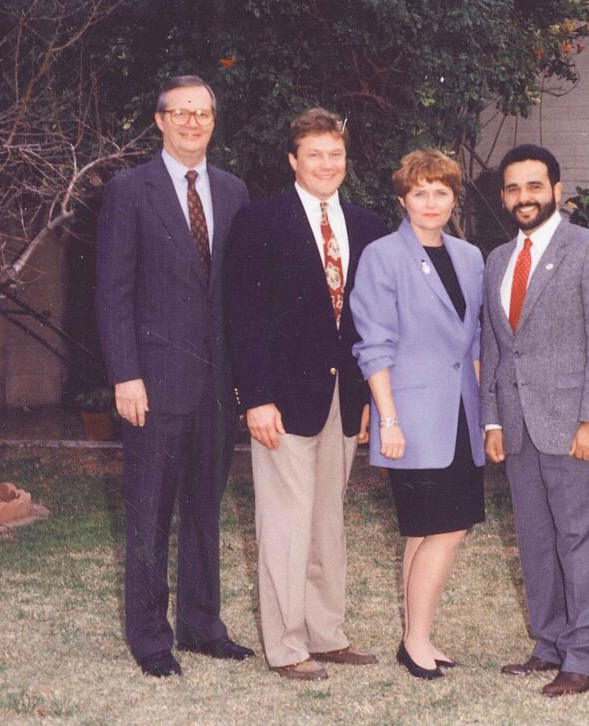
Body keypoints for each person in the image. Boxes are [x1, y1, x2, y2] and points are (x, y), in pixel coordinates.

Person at [96, 75, 254, 677]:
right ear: (159, 120)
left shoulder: (235, 191)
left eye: (203, 114)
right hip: (154, 385)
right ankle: (149, 638)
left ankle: (202, 625)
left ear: (214, 121)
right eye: (180, 113)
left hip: (216, 387)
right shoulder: (128, 190)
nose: (192, 123)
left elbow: (238, 294)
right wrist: (125, 376)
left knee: (205, 510)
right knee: (149, 512)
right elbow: (112, 292)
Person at [224, 107, 386, 681]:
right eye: (314, 154)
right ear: (293, 160)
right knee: (286, 523)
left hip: (344, 399)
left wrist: (367, 398)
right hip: (282, 400)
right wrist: (255, 396)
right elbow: (243, 316)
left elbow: (367, 321)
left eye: (335, 154)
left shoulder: (367, 226)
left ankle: (326, 631)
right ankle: (288, 644)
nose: (326, 164)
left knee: (327, 523)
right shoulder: (259, 221)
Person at [481, 144, 589, 697]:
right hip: (519, 428)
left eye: (535, 187)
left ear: (557, 190)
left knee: (585, 543)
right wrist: (492, 421)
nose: (525, 198)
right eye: (515, 188)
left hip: (576, 428)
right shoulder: (497, 259)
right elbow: (496, 348)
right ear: (504, 196)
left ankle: (585, 658)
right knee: (537, 542)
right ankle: (549, 644)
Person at [350, 149, 486, 681]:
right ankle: (417, 640)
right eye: (420, 192)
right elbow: (374, 346)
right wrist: (388, 420)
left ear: (455, 198)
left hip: (460, 416)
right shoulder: (383, 256)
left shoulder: (471, 256)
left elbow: (472, 341)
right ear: (402, 198)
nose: (432, 202)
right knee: (445, 529)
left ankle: (416, 636)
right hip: (409, 416)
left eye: (442, 192)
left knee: (426, 532)